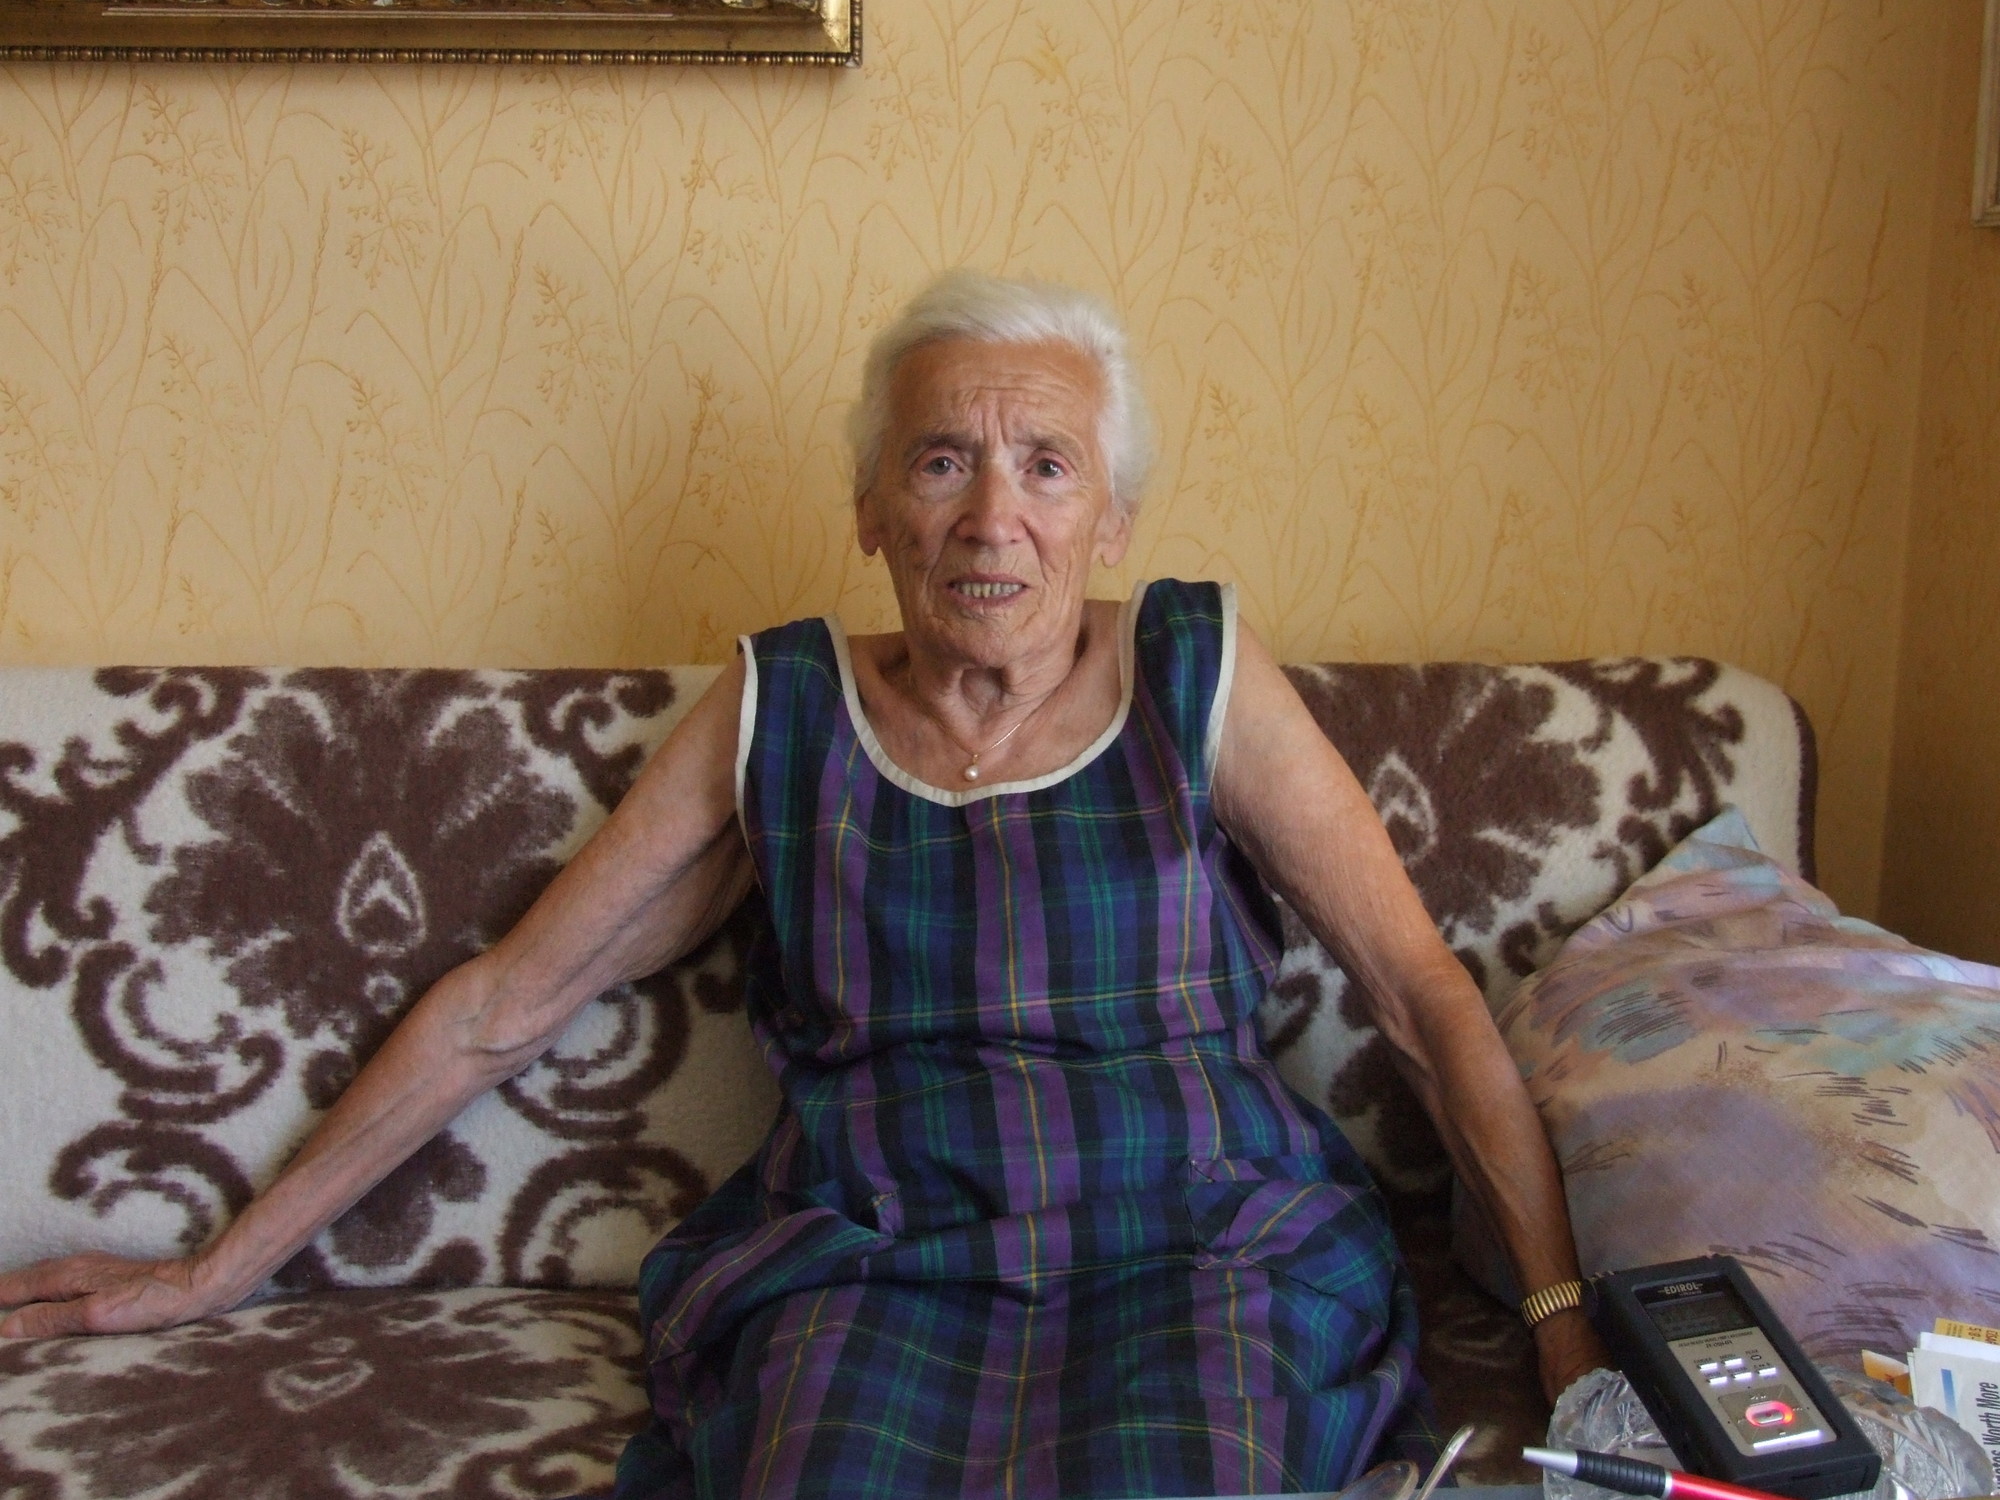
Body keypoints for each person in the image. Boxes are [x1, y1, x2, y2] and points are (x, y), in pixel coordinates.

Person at [0, 271, 1601, 1497]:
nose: (994, 517)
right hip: (879, 1254)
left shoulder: (1199, 672)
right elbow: (507, 1006)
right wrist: (213, 1270)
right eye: (942, 461)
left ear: (1111, 519)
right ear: (870, 509)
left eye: (1048, 467)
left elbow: (1423, 998)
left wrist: (1565, 1330)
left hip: (1200, 1242)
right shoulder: (786, 709)